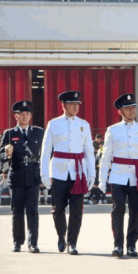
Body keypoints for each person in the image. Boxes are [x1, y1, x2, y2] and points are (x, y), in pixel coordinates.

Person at [99, 93, 138, 257]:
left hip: (137, 176)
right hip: (118, 175)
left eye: (133, 108)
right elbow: (106, 156)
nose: (131, 111)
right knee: (118, 210)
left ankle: (131, 244)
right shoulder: (113, 130)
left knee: (136, 211)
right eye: (127, 108)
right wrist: (102, 180)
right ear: (120, 112)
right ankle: (118, 245)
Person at [41, 91, 96, 255]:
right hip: (58, 172)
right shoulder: (54, 124)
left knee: (77, 210)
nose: (76, 107)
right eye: (72, 104)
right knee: (58, 209)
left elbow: (89, 151)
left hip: (78, 172)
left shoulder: (84, 125)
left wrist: (92, 174)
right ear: (63, 105)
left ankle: (72, 242)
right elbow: (45, 151)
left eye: (77, 104)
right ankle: (61, 236)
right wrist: (44, 174)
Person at [1, 100, 44, 252]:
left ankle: (33, 243)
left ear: (31, 115)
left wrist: (45, 174)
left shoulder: (38, 132)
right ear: (16, 116)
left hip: (33, 176)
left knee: (33, 210)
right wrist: (6, 154)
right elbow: (0, 154)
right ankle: (17, 242)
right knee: (17, 211)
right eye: (22, 114)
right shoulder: (10, 133)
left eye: (27, 114)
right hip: (17, 175)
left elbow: (46, 153)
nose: (25, 116)